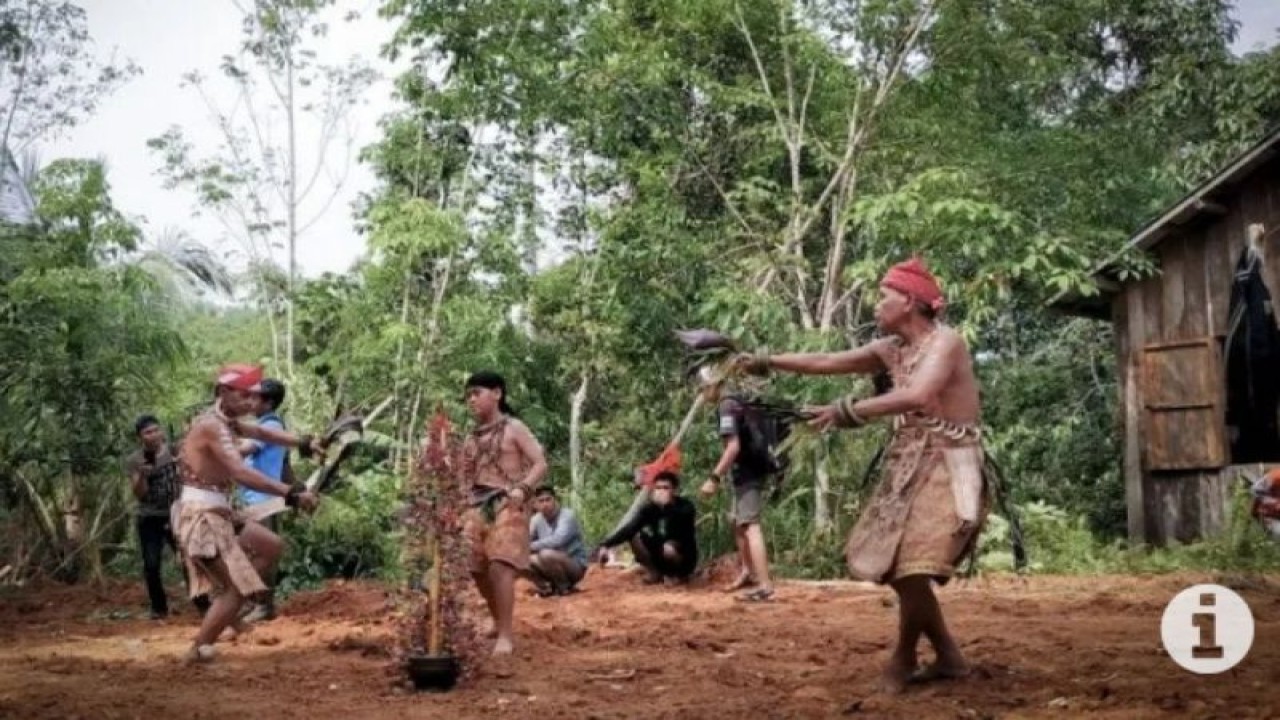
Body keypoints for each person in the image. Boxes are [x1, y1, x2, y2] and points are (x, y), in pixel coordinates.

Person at [736, 256, 987, 694]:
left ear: (909, 302)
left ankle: (904, 658)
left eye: (882, 297)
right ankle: (947, 655)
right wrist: (765, 361)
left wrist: (845, 411)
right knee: (898, 568)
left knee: (911, 570)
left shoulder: (947, 342)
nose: (876, 306)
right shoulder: (889, 350)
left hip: (951, 464)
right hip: (907, 464)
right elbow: (826, 360)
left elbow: (917, 394)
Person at [173, 363, 321, 663]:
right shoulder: (212, 425)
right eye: (244, 396)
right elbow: (239, 472)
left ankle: (227, 610)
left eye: (253, 396)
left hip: (220, 510)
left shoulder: (227, 421)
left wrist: (304, 442)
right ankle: (198, 649)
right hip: (202, 515)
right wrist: (291, 493)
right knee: (237, 587)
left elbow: (261, 431)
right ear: (224, 392)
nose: (250, 402)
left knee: (271, 546)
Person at [458, 371, 548, 656]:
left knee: (500, 565)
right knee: (475, 567)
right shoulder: (470, 439)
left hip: (509, 501)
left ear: (497, 394)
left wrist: (522, 488)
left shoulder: (514, 427)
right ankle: (498, 621)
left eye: (477, 392)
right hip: (477, 503)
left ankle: (507, 635)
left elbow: (540, 463)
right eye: (468, 395)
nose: (471, 399)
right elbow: (463, 478)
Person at [124, 415, 208, 619]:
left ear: (161, 431)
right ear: (140, 437)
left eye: (155, 430)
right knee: (151, 564)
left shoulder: (174, 450)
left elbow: (192, 471)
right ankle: (159, 609)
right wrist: (143, 475)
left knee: (189, 560)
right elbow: (139, 494)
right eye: (147, 432)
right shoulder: (135, 460)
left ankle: (203, 605)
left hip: (177, 513)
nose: (153, 436)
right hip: (149, 517)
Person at [699, 383, 777, 602]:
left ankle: (764, 586)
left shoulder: (727, 405)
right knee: (736, 521)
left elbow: (733, 447)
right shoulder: (742, 399)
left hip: (749, 471)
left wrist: (713, 478)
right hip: (753, 467)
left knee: (750, 525)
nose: (703, 393)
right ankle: (748, 572)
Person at [235, 378, 291, 623]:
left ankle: (264, 605)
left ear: (268, 403)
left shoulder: (270, 426)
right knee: (252, 552)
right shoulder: (269, 426)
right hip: (257, 497)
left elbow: (244, 450)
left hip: (263, 498)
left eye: (255, 398)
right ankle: (256, 601)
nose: (250, 401)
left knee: (263, 553)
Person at [594, 472, 698, 584]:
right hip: (658, 550)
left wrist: (667, 506)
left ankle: (678, 575)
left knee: (669, 549)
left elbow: (681, 528)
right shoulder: (650, 508)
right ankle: (654, 572)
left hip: (682, 553)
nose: (661, 491)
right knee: (635, 536)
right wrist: (606, 545)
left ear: (674, 490)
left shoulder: (685, 507)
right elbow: (630, 528)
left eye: (666, 488)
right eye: (658, 488)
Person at [526, 486, 588, 596]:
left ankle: (564, 588)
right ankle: (546, 588)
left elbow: (557, 540)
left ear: (555, 500)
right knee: (523, 559)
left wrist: (529, 546)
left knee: (546, 554)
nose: (545, 504)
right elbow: (526, 541)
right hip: (549, 563)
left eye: (548, 499)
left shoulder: (567, 516)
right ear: (536, 504)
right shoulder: (536, 519)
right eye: (541, 501)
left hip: (574, 565)